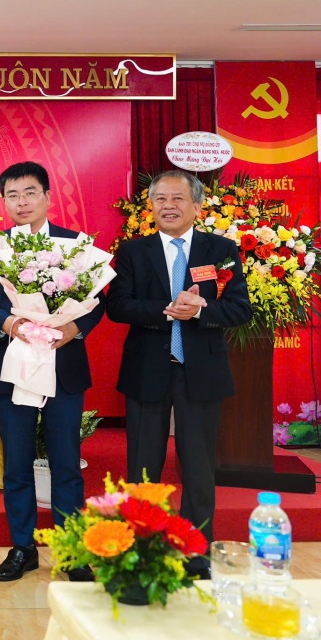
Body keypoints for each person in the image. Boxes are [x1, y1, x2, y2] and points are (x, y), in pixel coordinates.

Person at [0, 161, 104, 583]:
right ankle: (22, 548)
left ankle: (72, 551)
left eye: (29, 193)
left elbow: (100, 300)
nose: (21, 202)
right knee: (17, 465)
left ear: (47, 196)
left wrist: (74, 328)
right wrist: (12, 324)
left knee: (66, 464)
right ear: (3, 202)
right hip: (15, 366)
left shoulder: (76, 245)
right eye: (12, 195)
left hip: (63, 366)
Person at [107, 170, 251, 578]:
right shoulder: (133, 251)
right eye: (160, 199)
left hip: (201, 372)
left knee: (199, 467)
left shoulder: (220, 249)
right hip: (147, 370)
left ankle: (195, 552)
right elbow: (118, 305)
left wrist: (202, 308)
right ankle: (141, 549)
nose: (168, 206)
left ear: (197, 206)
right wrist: (168, 310)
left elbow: (240, 308)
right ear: (150, 205)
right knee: (143, 467)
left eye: (178, 198)